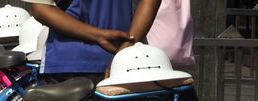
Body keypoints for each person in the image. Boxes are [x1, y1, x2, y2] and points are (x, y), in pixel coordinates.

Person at [29, 0, 162, 76]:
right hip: (127, 60)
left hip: (69, 62)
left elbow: (40, 9)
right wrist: (126, 48)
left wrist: (100, 36)